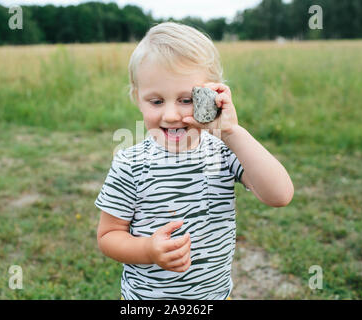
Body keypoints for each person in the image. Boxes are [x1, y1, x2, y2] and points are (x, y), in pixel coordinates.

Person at [95, 22, 294, 300]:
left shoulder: (224, 151)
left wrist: (232, 132)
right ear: (136, 98)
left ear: (214, 96)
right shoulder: (130, 163)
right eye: (156, 102)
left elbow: (280, 194)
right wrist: (148, 251)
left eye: (187, 99)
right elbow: (108, 236)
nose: (172, 114)